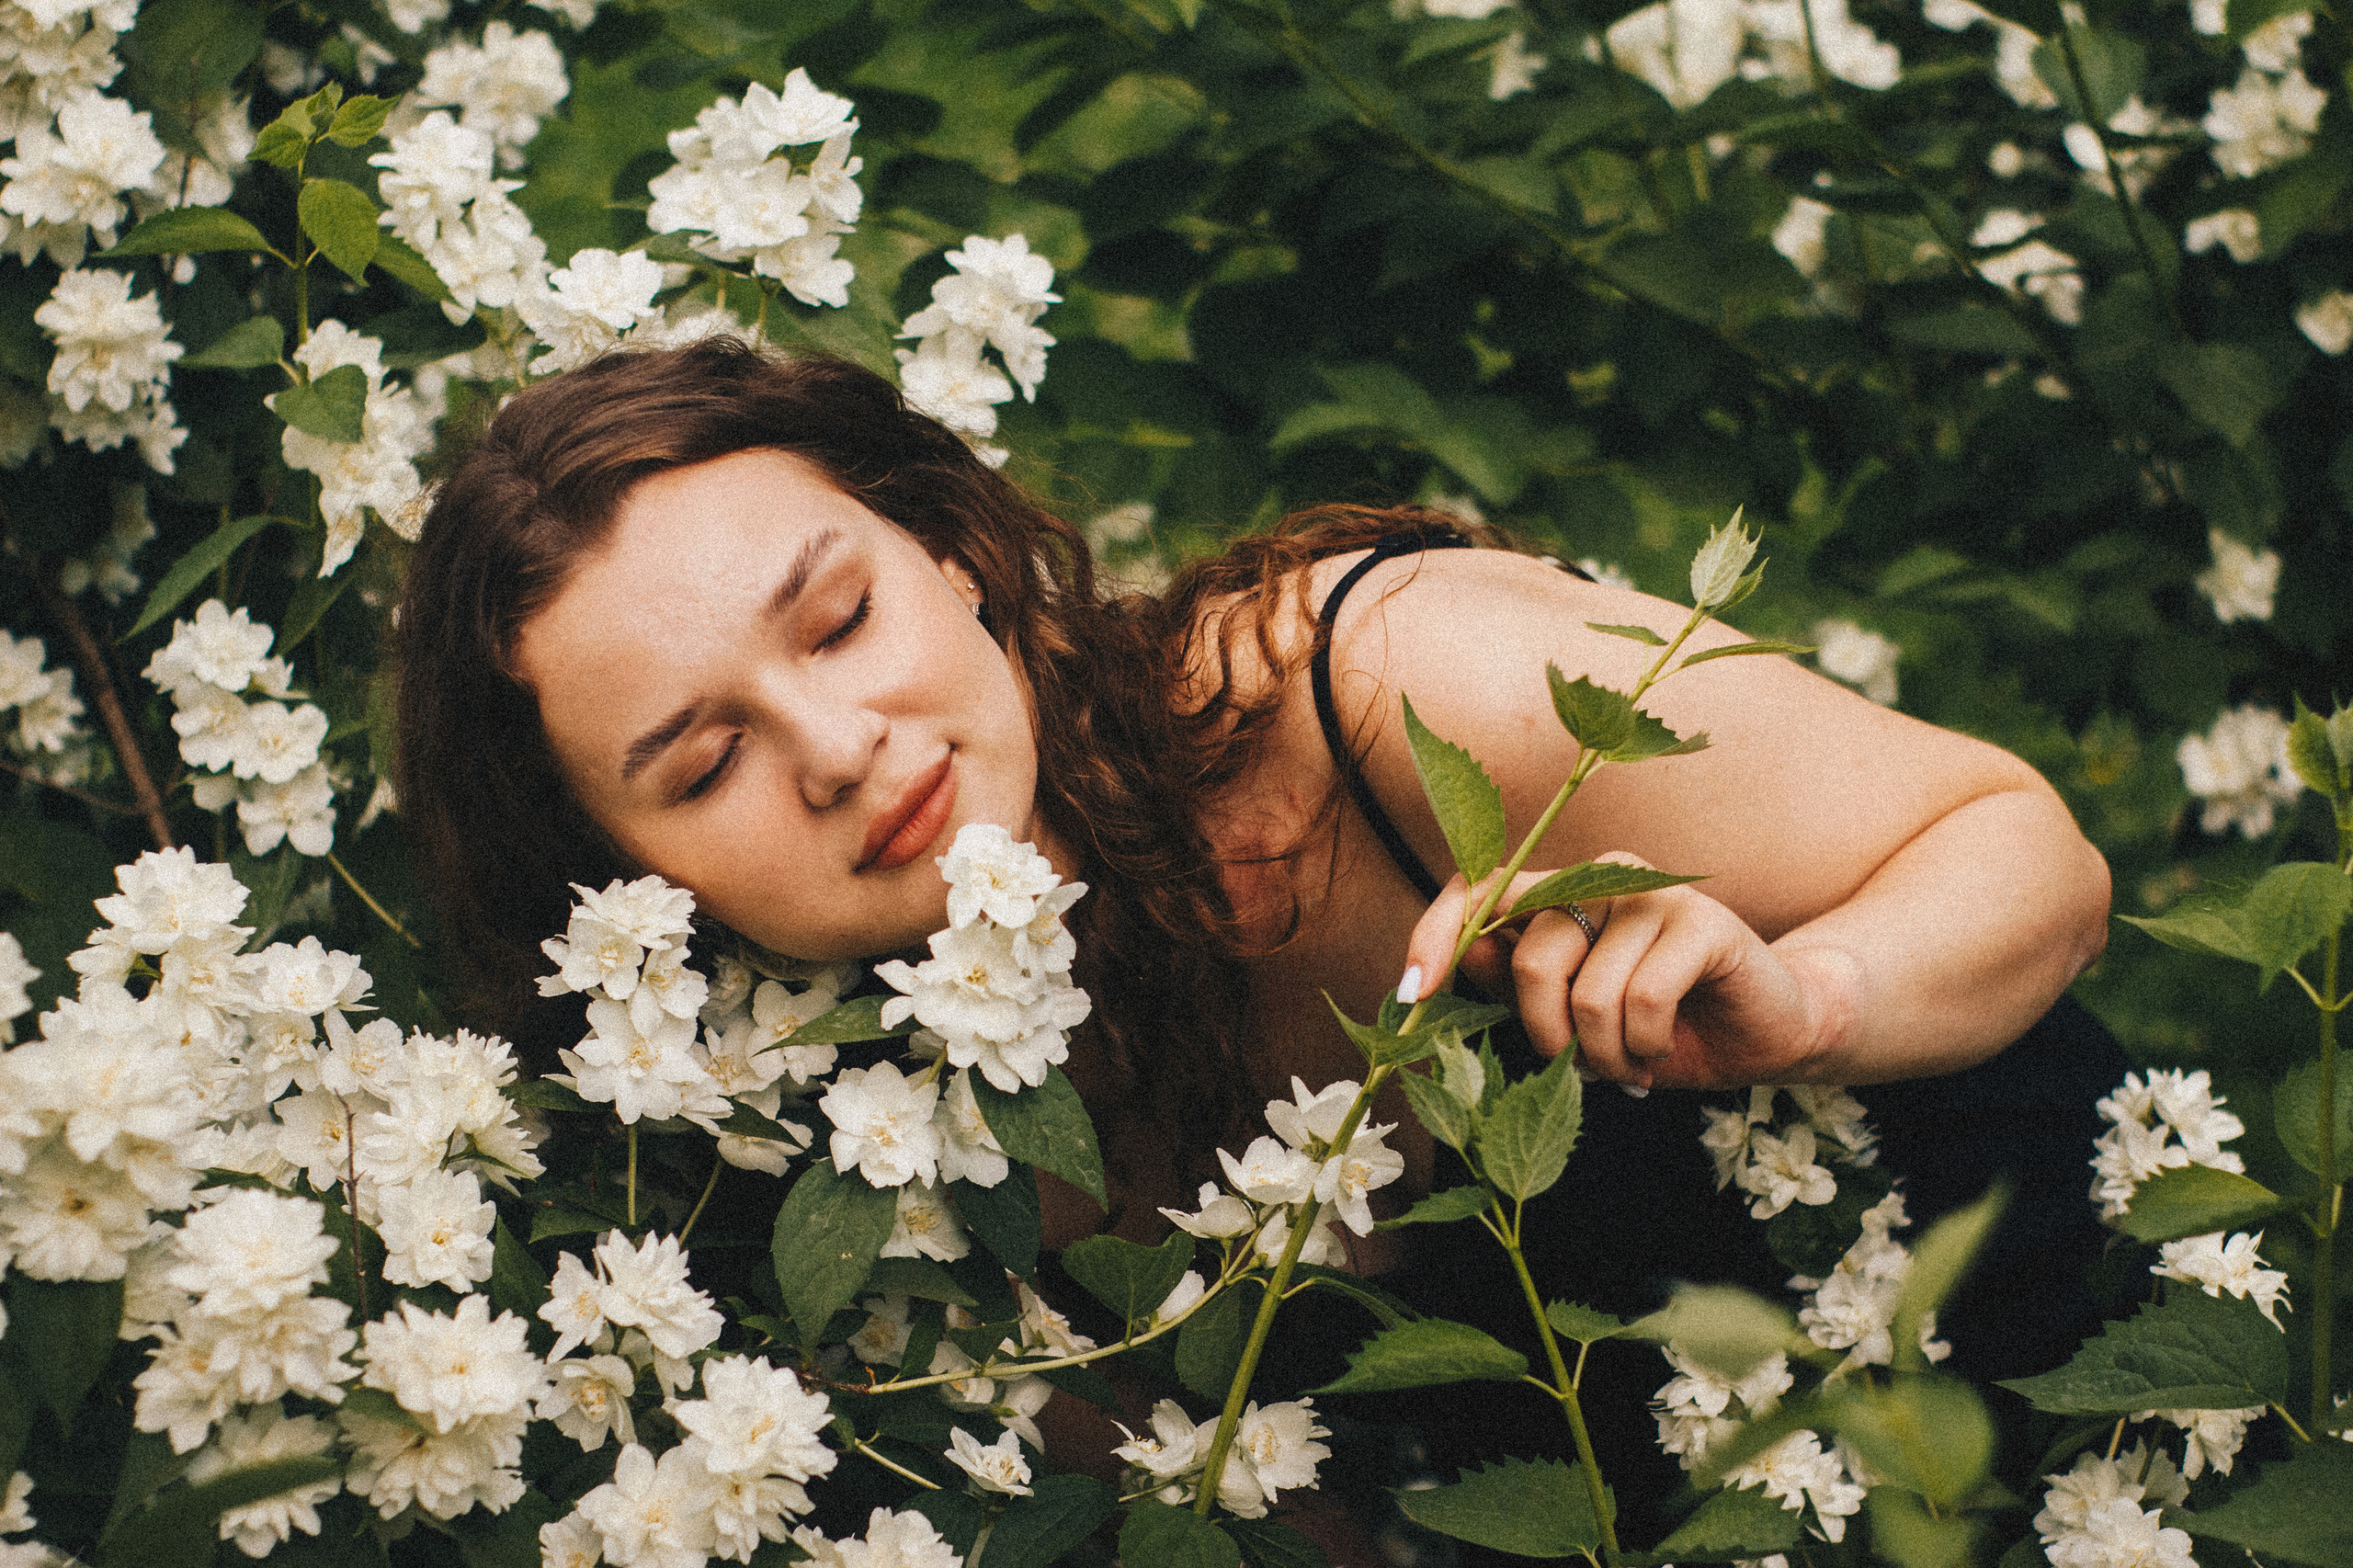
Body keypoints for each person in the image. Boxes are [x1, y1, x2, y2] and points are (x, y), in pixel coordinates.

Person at [395, 336, 2121, 1521]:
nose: (840, 751)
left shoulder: (1381, 700)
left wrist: (1812, 996)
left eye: (840, 619)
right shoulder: (871, 1186)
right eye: (707, 765)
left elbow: (2021, 847)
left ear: (948, 554)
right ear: (626, 895)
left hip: (2104, 1387)